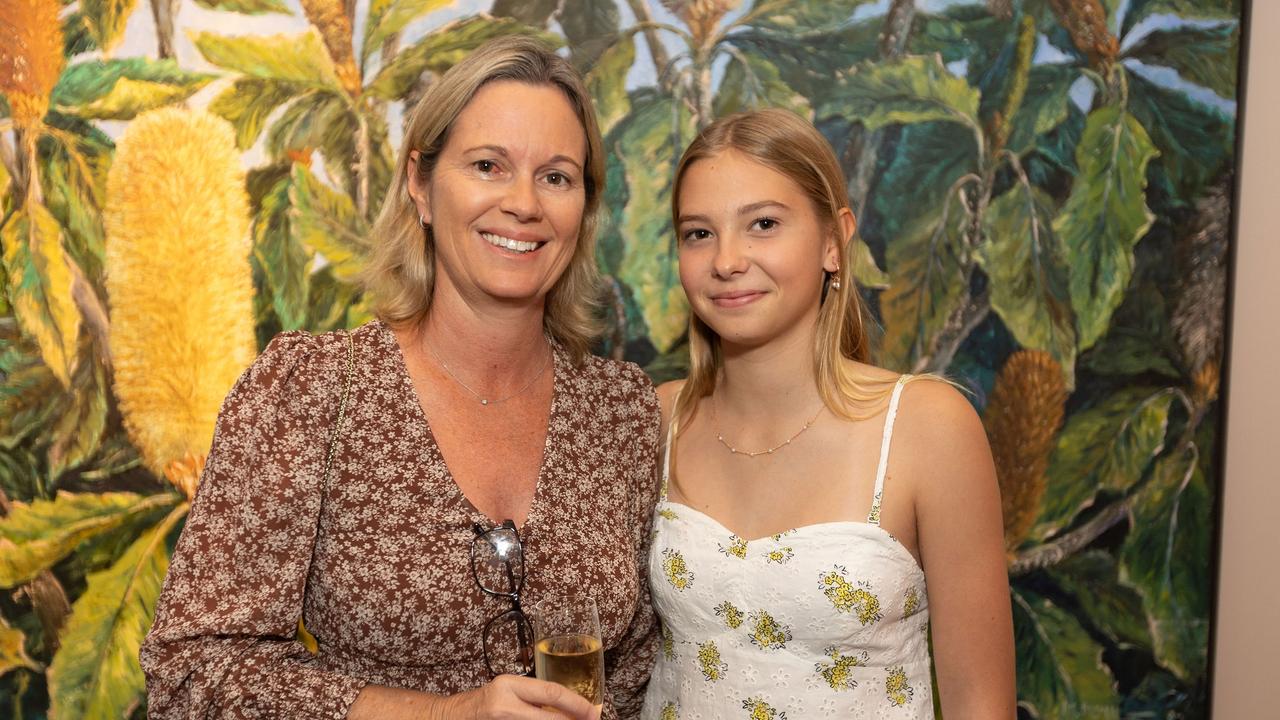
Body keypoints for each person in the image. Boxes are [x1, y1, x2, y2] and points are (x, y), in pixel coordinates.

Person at [141, 36, 662, 720]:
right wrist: (446, 715)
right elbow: (192, 672)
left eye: (557, 177)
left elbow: (644, 663)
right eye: (487, 165)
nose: (524, 204)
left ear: (583, 208)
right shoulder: (309, 392)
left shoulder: (622, 411)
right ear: (420, 182)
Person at [639, 109, 1016, 719]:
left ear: (834, 242)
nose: (727, 260)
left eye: (762, 224)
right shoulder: (658, 419)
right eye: (698, 233)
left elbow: (982, 705)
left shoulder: (926, 426)